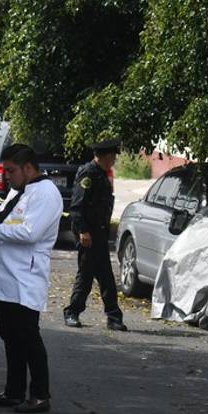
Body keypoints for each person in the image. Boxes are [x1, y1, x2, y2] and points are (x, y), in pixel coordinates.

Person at [0, 144, 63, 413]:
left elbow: (30, 233)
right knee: (10, 336)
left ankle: (40, 395)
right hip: (5, 275)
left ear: (28, 168)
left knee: (28, 336)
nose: (7, 176)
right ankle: (13, 391)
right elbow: (4, 219)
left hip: (25, 276)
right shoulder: (20, 190)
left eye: (11, 171)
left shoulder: (45, 193)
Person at [63, 139, 127, 331]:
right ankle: (72, 312)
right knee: (86, 275)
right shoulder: (88, 173)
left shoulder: (101, 174)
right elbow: (77, 206)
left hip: (99, 233)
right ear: (105, 156)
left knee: (106, 277)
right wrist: (83, 230)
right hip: (88, 234)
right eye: (113, 157)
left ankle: (113, 317)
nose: (114, 160)